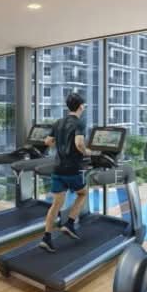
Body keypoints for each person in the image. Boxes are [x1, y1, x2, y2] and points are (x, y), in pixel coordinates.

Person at [39, 93, 94, 253]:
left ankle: (46, 238)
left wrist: (60, 143)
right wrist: (87, 152)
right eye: (83, 105)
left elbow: (47, 141)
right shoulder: (79, 122)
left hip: (58, 168)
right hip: (72, 169)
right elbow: (79, 143)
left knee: (56, 204)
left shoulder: (59, 122)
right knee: (83, 193)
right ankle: (69, 223)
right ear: (81, 106)